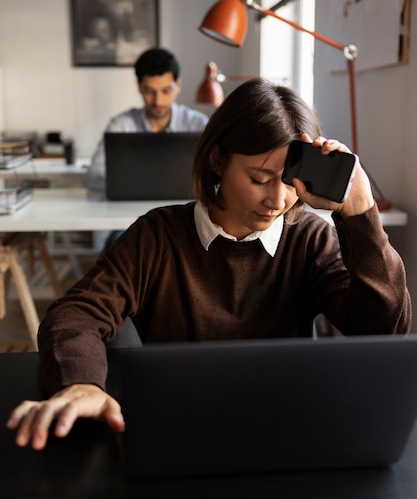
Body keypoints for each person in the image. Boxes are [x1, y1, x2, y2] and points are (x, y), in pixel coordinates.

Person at [7, 79, 411, 451]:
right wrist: (81, 383)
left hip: (283, 430)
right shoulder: (158, 235)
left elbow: (385, 330)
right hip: (178, 431)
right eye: (258, 179)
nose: (278, 199)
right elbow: (76, 314)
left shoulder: (309, 238)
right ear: (217, 159)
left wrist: (359, 211)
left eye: (290, 181)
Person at [86, 47, 209, 191]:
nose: (158, 101)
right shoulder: (121, 125)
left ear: (178, 85)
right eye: (150, 91)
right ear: (139, 87)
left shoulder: (199, 124)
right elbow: (94, 176)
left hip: (184, 208)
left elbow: (216, 174)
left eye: (166, 91)